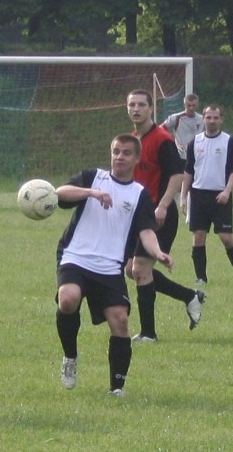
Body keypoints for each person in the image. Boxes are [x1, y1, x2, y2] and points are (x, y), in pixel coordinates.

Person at [55, 134, 172, 396]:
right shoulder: (93, 178)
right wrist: (91, 193)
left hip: (109, 266)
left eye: (126, 153)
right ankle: (70, 357)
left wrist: (158, 253)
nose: (119, 157)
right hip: (76, 256)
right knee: (67, 298)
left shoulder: (139, 194)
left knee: (120, 321)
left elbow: (146, 231)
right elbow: (59, 194)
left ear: (136, 159)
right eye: (116, 151)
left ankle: (116, 389)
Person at [125, 90, 205, 343]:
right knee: (132, 269)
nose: (136, 109)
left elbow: (177, 174)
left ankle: (148, 333)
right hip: (138, 215)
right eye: (132, 105)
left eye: (141, 105)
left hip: (160, 214)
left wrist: (163, 205)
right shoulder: (132, 139)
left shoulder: (162, 138)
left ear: (151, 109)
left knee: (140, 268)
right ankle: (190, 296)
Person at [181, 105, 233, 285]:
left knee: (226, 237)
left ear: (221, 119)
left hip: (220, 196)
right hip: (198, 196)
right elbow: (188, 171)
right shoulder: (194, 142)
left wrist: (227, 191)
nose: (211, 121)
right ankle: (201, 278)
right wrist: (182, 197)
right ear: (203, 119)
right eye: (208, 117)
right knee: (198, 237)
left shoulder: (228, 141)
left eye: (215, 117)